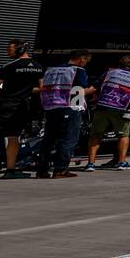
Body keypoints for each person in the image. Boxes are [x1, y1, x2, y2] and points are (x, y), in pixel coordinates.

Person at [0, 39, 44, 179]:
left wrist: (4, 90)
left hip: (3, 105)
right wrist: (26, 91)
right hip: (22, 107)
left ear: (19, 49)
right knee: (13, 138)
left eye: (10, 50)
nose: (8, 52)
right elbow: (41, 88)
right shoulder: (38, 66)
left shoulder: (8, 66)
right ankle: (10, 170)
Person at [36, 49, 95, 179]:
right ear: (82, 59)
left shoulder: (51, 70)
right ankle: (60, 170)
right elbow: (78, 91)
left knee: (49, 139)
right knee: (68, 139)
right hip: (69, 107)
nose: (86, 64)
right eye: (86, 61)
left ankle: (42, 170)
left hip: (51, 106)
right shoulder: (78, 71)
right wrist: (91, 90)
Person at [82, 55, 130, 172]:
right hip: (122, 108)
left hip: (103, 106)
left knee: (96, 135)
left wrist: (75, 93)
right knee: (123, 135)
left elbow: (94, 88)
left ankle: (90, 164)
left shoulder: (109, 72)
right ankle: (121, 162)